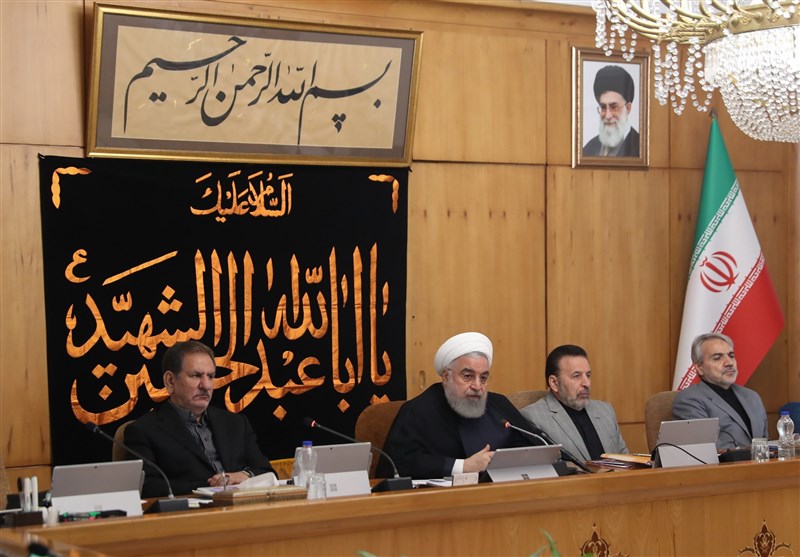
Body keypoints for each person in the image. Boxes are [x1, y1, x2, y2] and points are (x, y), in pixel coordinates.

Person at [379, 332, 545, 479]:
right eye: (467, 376)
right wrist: (463, 467)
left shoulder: (498, 404)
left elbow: (535, 444)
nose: (477, 386)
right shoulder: (418, 410)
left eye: (483, 378)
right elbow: (398, 463)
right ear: (446, 377)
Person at [124, 340, 275, 497]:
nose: (206, 386)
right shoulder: (144, 431)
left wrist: (246, 475)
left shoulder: (235, 423)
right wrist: (210, 486)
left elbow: (266, 472)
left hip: (243, 507)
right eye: (196, 376)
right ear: (170, 381)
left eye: (210, 376)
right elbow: (147, 487)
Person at [521, 345, 628, 461]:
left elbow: (626, 460)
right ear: (554, 383)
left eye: (588, 375)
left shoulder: (605, 410)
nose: (586, 383)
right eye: (576, 376)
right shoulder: (533, 417)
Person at [672, 333, 768, 450]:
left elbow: (766, 443)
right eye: (717, 358)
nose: (729, 362)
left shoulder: (752, 396)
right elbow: (706, 449)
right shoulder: (689, 400)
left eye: (731, 356)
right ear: (699, 367)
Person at [582, 65, 640, 157]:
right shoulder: (589, 149)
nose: (607, 116)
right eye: (603, 107)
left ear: (628, 108)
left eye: (614, 107)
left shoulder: (640, 148)